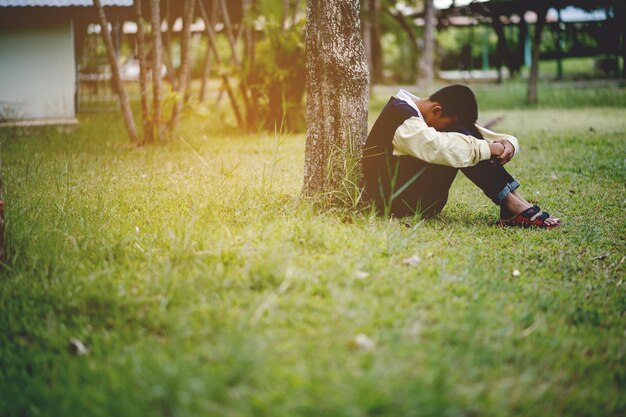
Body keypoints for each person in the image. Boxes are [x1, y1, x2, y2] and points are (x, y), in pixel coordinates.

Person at [362, 84, 560, 228]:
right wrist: (492, 149)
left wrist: (508, 143)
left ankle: (514, 201)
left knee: (463, 139)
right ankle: (511, 205)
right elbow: (444, 147)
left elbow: (478, 134)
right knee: (457, 145)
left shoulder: (420, 111)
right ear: (437, 110)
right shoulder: (403, 119)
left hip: (407, 195)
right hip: (392, 203)